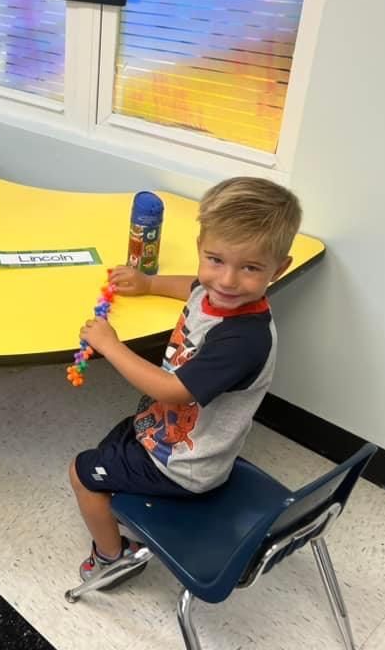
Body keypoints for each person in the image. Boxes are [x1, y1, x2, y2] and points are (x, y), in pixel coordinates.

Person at [69, 177, 302, 585]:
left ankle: (111, 559)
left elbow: (169, 391)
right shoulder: (216, 294)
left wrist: (110, 345)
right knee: (113, 442)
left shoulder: (242, 339)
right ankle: (127, 503)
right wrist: (148, 284)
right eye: (216, 260)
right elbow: (193, 288)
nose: (227, 281)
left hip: (186, 467)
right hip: (163, 432)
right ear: (201, 249)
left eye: (250, 268)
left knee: (80, 472)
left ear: (279, 268)